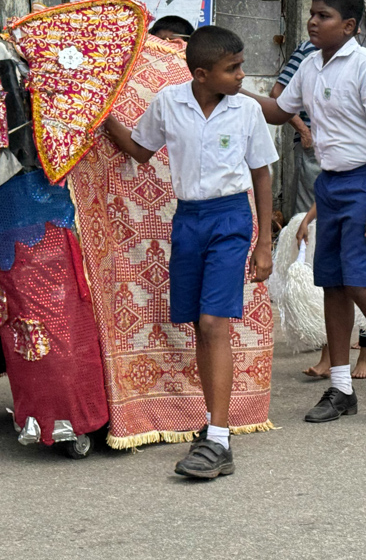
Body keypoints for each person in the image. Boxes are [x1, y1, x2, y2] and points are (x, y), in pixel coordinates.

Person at [104, 25, 278, 479]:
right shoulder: (168, 103)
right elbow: (140, 150)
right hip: (188, 222)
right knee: (200, 326)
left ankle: (218, 440)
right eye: (232, 68)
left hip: (231, 220)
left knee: (214, 322)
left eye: (240, 66)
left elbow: (261, 174)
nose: (241, 75)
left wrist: (264, 243)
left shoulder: (247, 111)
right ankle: (212, 427)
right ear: (201, 74)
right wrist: (102, 117)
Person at [245, 0, 366, 425]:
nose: (312, 21)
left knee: (362, 282)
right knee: (334, 284)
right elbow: (278, 111)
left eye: (323, 16)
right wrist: (229, 87)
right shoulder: (310, 65)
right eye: (312, 13)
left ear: (349, 26)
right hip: (331, 183)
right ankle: (341, 387)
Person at [271, 39, 320, 214]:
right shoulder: (309, 51)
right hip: (313, 145)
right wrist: (304, 131)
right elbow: (278, 93)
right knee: (306, 213)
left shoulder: (359, 57)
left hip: (343, 146)